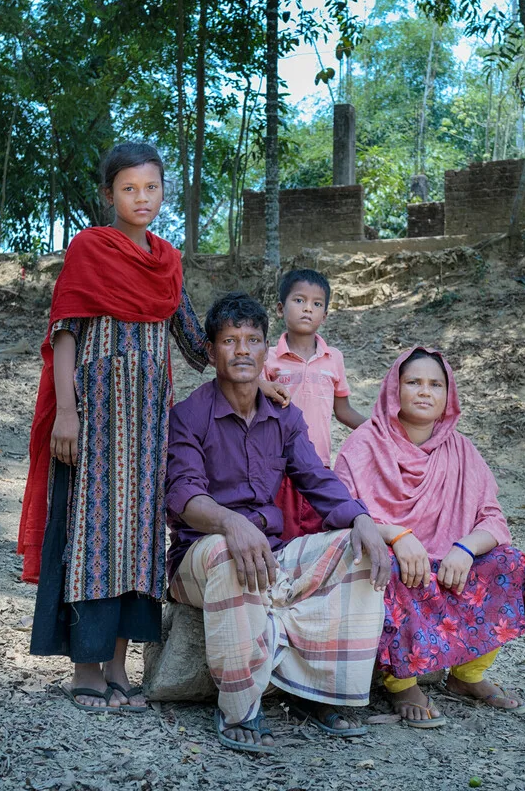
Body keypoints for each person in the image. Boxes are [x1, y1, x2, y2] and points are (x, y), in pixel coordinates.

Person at [17, 143, 286, 714]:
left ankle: (118, 667)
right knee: (92, 537)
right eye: (128, 189)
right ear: (109, 195)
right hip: (92, 423)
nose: (142, 198)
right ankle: (86, 669)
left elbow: (195, 342)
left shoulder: (166, 261)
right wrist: (65, 411)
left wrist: (252, 374)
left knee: (136, 543)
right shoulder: (90, 249)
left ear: (165, 191)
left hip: (147, 430)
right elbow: (65, 333)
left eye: (152, 187)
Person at [164, 291, 391, 754]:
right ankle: (239, 708)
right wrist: (231, 524)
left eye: (252, 340)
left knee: (357, 550)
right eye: (229, 340)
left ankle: (320, 693)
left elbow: (315, 477)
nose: (242, 350)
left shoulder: (283, 417)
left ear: (268, 350)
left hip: (271, 551)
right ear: (211, 352)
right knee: (232, 552)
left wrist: (363, 520)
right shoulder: (189, 415)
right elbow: (183, 495)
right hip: (198, 558)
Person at [333, 347, 525, 728]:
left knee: (511, 562)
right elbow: (341, 513)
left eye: (435, 384)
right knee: (390, 567)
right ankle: (400, 682)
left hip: (449, 565)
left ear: (448, 396)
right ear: (393, 389)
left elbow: (494, 520)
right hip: (397, 564)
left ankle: (466, 677)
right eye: (413, 382)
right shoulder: (365, 443)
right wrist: (396, 535)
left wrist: (465, 548)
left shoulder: (461, 449)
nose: (424, 391)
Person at [265, 269, 367, 541]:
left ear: (325, 315)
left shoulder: (333, 358)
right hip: (279, 468)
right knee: (283, 540)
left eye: (317, 304)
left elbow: (343, 410)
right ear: (280, 308)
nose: (307, 309)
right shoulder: (269, 358)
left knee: (315, 538)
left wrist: (380, 429)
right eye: (299, 300)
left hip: (319, 467)